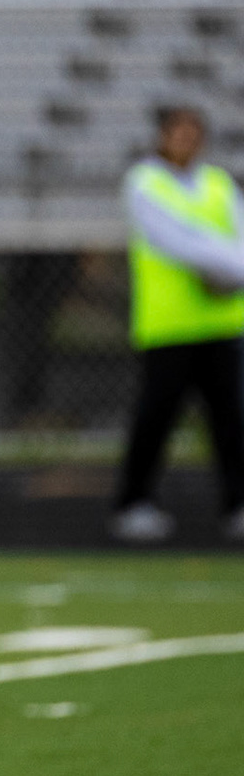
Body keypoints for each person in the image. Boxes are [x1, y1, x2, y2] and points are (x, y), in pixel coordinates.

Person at [114, 104, 244, 543]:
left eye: (194, 133)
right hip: (168, 327)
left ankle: (237, 504)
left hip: (222, 323)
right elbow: (175, 241)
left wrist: (232, 269)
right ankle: (134, 502)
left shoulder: (218, 182)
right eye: (179, 132)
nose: (187, 141)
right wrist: (232, 268)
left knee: (232, 421)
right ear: (163, 136)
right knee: (155, 419)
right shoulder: (145, 182)